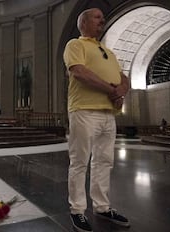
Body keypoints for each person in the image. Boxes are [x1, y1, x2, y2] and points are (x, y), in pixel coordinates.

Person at [63, 8, 130, 232]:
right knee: (80, 162)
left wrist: (121, 90)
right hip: (84, 110)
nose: (102, 20)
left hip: (108, 114)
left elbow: (124, 77)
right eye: (97, 17)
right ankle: (77, 211)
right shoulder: (75, 45)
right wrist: (111, 90)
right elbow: (79, 72)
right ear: (83, 22)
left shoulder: (108, 51)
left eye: (103, 17)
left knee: (104, 162)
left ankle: (102, 206)